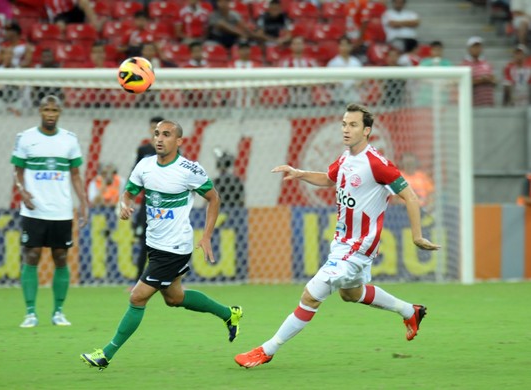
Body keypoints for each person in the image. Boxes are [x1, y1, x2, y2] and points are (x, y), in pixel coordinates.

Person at [234, 103, 440, 369]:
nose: (346, 129)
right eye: (344, 124)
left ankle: (266, 350)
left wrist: (417, 236)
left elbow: (409, 195)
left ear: (367, 131)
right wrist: (299, 174)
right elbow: (330, 178)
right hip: (342, 244)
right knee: (350, 294)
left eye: (353, 125)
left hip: (358, 247)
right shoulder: (346, 157)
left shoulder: (377, 163)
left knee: (310, 295)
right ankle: (409, 311)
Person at [80, 119, 243, 371]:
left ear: (178, 141)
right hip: (155, 244)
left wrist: (207, 235)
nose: (159, 138)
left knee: (137, 297)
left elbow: (214, 198)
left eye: (166, 134)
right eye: (157, 134)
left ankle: (106, 353)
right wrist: (124, 204)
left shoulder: (189, 169)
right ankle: (229, 314)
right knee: (174, 297)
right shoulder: (144, 166)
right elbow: (129, 191)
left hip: (175, 248)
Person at [11, 94, 89, 328]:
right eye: (47, 110)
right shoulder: (25, 138)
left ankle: (58, 312)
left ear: (60, 113)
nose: (50, 114)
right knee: (32, 256)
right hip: (34, 210)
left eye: (54, 111)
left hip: (62, 210)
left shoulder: (69, 140)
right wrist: (22, 192)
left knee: (61, 257)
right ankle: (30, 313)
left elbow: (75, 174)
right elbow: (18, 171)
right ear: (40, 112)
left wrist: (83, 201)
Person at [131, 116, 164, 283]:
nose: (155, 132)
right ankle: (139, 280)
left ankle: (172, 279)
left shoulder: (171, 151)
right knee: (145, 240)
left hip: (167, 203)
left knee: (168, 240)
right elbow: (135, 175)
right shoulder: (143, 150)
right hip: (148, 201)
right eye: (153, 129)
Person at [460, 36, 497, 107]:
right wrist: (480, 81)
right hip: (473, 105)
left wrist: (489, 80)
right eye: (474, 47)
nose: (477, 49)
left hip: (488, 102)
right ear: (469, 49)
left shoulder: (486, 63)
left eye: (479, 47)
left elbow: (494, 79)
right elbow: (463, 83)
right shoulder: (464, 65)